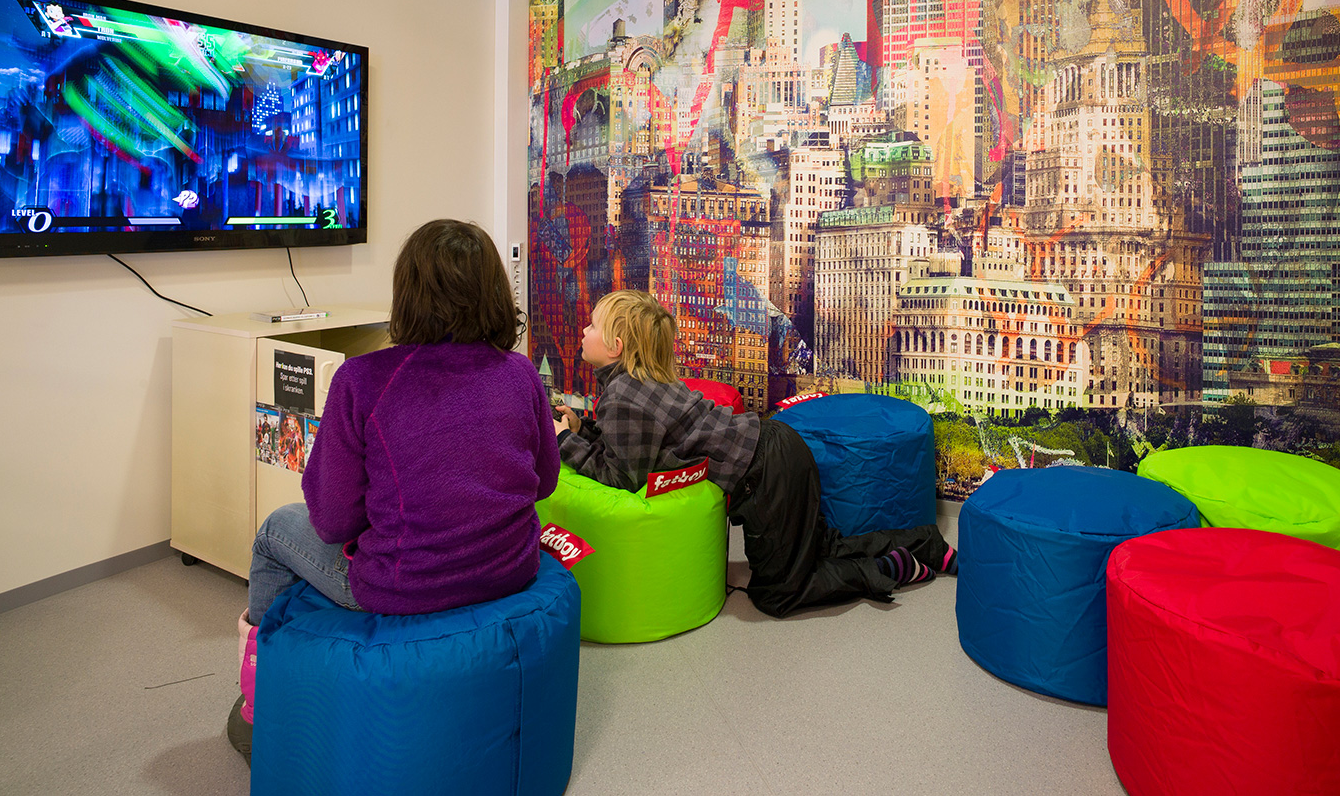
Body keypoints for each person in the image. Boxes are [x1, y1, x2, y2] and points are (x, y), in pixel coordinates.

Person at [227, 220, 562, 762]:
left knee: (273, 532)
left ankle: (257, 696)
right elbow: (545, 481)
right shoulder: (521, 373)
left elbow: (332, 521)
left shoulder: (360, 379)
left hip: (402, 584)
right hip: (510, 568)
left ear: (407, 292)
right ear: (494, 291)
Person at [554, 290, 956, 620]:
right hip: (777, 447)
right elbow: (631, 445)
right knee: (821, 547)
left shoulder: (623, 395)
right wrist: (582, 429)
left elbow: (621, 477)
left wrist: (563, 441)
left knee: (778, 594)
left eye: (592, 325)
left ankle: (889, 569)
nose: (584, 331)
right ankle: (927, 545)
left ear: (616, 347)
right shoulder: (645, 382)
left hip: (766, 474)